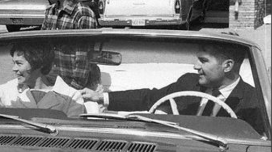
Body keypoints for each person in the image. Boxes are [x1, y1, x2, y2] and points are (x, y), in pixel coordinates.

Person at [80, 42, 266, 134]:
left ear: (227, 66)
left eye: (203, 61)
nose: (195, 66)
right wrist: (101, 97)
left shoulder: (255, 102)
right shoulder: (188, 82)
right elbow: (150, 97)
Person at [41, 0, 98, 90]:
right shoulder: (50, 12)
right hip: (51, 82)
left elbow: (84, 57)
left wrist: (74, 88)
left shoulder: (82, 14)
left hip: (74, 87)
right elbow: (42, 47)